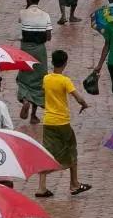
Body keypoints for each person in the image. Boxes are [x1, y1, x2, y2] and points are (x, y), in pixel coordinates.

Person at [37, 49, 89, 197]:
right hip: (62, 122)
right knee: (71, 150)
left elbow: (44, 93)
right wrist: (84, 105)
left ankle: (41, 187)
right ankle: (74, 184)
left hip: (48, 122)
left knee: (47, 153)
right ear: (65, 63)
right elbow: (78, 98)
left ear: (52, 62)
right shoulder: (65, 80)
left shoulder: (46, 78)